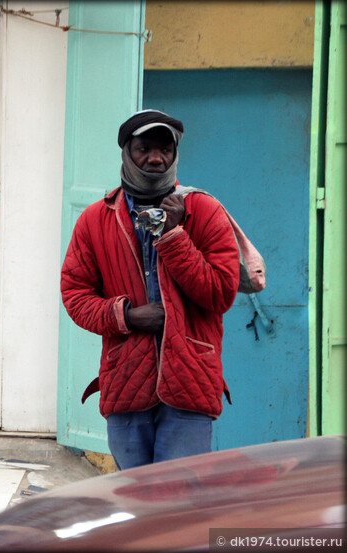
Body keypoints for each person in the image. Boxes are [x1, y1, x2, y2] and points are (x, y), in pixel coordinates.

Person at [60, 109, 240, 470]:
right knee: (136, 504)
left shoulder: (204, 211)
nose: (155, 158)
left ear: (175, 155)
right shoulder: (96, 219)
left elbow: (221, 293)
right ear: (126, 151)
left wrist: (173, 235)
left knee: (177, 502)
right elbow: (75, 296)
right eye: (144, 148)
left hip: (189, 382)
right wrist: (126, 316)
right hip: (126, 381)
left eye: (165, 150)